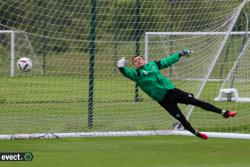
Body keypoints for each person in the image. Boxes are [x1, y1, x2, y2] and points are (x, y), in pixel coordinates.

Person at [117, 49, 237, 140]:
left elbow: (167, 61)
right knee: (181, 118)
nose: (138, 61)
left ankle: (224, 112)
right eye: (135, 61)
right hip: (164, 100)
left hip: (173, 91)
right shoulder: (135, 74)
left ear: (144, 60)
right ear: (134, 65)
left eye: (139, 59)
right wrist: (121, 67)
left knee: (197, 102)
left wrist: (180, 53)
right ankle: (195, 132)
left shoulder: (153, 65)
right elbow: (126, 72)